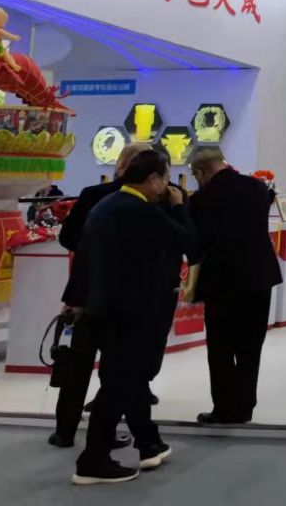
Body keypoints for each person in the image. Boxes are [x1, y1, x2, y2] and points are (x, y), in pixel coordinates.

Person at [74, 150, 198, 486]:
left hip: (106, 307)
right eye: (165, 177)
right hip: (130, 312)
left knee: (124, 382)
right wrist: (178, 207)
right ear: (153, 178)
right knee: (119, 386)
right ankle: (93, 460)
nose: (166, 185)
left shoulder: (107, 205)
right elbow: (190, 243)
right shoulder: (139, 210)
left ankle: (143, 444)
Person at [50, 147, 144, 448]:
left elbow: (67, 237)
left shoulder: (93, 195)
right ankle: (101, 434)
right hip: (120, 296)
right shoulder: (148, 201)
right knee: (115, 368)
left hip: (86, 291)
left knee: (78, 364)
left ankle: (65, 430)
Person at [187, 146, 282, 426]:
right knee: (251, 347)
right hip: (259, 278)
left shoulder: (201, 199)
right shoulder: (258, 187)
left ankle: (224, 408)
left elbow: (195, 241)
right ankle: (245, 407)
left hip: (222, 282)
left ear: (200, 172)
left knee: (221, 348)